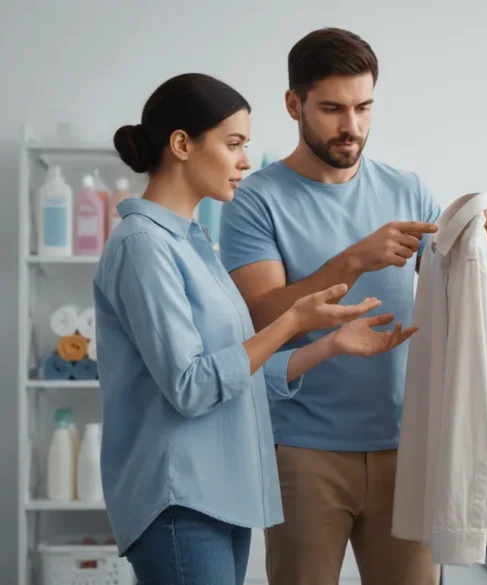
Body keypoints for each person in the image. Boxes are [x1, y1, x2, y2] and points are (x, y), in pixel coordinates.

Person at [219, 28, 487, 585]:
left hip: (408, 447)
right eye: (331, 108)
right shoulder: (254, 200)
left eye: (363, 107)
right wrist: (352, 260)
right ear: (294, 105)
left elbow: (467, 315)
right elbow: (259, 317)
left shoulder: (409, 190)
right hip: (304, 450)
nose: (350, 126)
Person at [94, 72, 418, 585]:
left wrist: (329, 344)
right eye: (233, 144)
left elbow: (238, 369)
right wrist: (293, 319)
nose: (245, 160)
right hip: (177, 498)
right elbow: (192, 386)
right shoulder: (143, 246)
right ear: (182, 145)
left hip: (221, 494)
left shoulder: (192, 243)